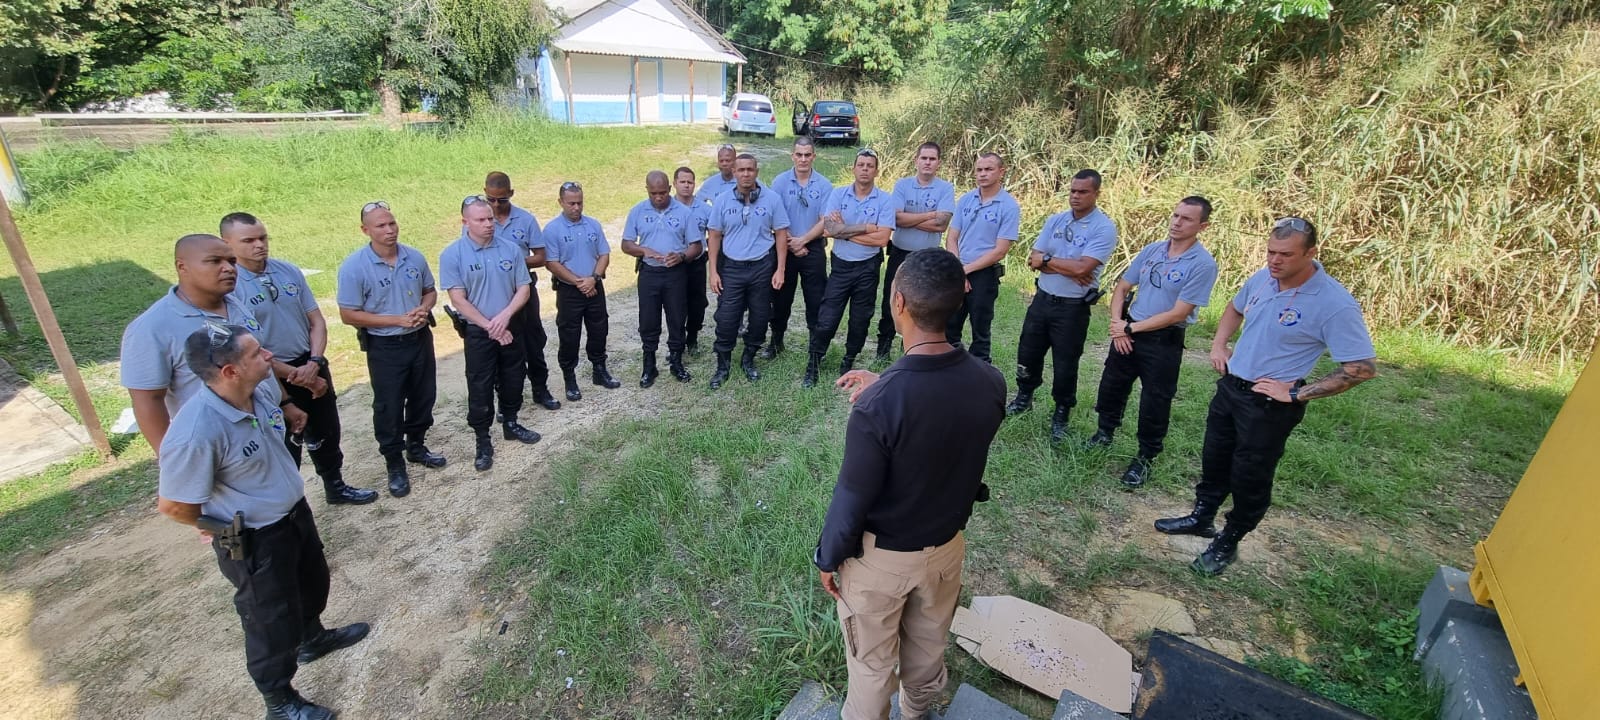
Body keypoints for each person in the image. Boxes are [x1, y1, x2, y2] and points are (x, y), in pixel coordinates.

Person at [814, 249, 1007, 720]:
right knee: (927, 649)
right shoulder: (990, 381)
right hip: (946, 551)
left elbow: (851, 497)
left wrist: (827, 557)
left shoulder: (877, 406)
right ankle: (918, 712)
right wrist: (888, 381)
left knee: (871, 667)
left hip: (882, 564)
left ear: (897, 302)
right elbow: (941, 404)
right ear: (958, 301)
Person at [156, 323, 369, 720]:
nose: (268, 356)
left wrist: (290, 409)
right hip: (256, 537)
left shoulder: (260, 389)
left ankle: (313, 638)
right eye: (256, 353)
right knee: (270, 619)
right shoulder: (197, 431)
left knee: (312, 581)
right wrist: (219, 529)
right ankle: (279, 701)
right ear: (230, 371)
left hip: (293, 514)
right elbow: (173, 506)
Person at [1155, 217, 1376, 575]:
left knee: (1250, 474)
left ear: (1311, 253)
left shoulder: (1333, 302)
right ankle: (1202, 517)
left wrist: (1297, 393)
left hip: (1268, 404)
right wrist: (1219, 344)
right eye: (1271, 252)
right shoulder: (1264, 278)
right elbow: (1235, 307)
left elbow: (1361, 367)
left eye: (1286, 254)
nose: (1275, 260)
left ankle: (1230, 539)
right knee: (1215, 458)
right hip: (1232, 387)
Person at [220, 213, 379, 507]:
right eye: (249, 240)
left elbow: (316, 320)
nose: (259, 245)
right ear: (227, 244)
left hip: (310, 363)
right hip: (269, 375)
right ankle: (289, 504)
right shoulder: (231, 289)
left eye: (263, 238)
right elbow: (245, 349)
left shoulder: (287, 271)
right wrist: (296, 375)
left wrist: (314, 362)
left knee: (327, 429)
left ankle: (335, 485)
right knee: (286, 441)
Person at [121, 233, 306, 454]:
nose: (229, 269)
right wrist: (172, 458)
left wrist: (285, 402)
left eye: (232, 261)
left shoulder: (235, 304)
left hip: (268, 428)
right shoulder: (152, 328)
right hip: (221, 447)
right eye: (215, 261)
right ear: (182, 266)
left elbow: (258, 358)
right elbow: (148, 400)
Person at [1085, 197, 1220, 489]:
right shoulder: (1153, 250)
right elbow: (1123, 286)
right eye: (1175, 215)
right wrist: (1119, 325)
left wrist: (1129, 328)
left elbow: (1179, 313)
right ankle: (1104, 433)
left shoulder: (1202, 264)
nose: (1177, 222)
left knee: (1155, 400)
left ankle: (1145, 456)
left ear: (1203, 226)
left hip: (1162, 340)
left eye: (1186, 219)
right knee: (1112, 385)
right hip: (1128, 329)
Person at [336, 201, 446, 498]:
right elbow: (348, 314)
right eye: (381, 226)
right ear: (365, 230)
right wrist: (396, 320)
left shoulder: (414, 257)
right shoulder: (355, 267)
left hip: (419, 338)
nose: (389, 230)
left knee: (424, 395)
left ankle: (416, 446)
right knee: (389, 404)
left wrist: (424, 308)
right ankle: (394, 462)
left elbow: (429, 291)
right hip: (385, 346)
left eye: (392, 223)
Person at [1006, 169, 1119, 443]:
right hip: (1042, 300)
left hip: (1072, 308)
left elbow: (1083, 268)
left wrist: (1049, 261)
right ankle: (1024, 397)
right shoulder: (1055, 220)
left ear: (1096, 193)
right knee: (1028, 352)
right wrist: (1063, 266)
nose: (1075, 196)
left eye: (1083, 192)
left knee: (1065, 362)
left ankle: (1061, 412)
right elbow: (1033, 259)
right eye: (1072, 191)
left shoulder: (1103, 228)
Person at [439, 196, 543, 472]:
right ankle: (483, 440)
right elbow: (458, 299)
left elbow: (523, 288)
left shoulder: (510, 249)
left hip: (510, 326)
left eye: (490, 219)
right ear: (465, 222)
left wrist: (505, 317)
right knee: (480, 384)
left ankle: (511, 422)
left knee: (514, 376)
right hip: (479, 331)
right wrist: (490, 326)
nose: (488, 224)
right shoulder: (453, 255)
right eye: (481, 220)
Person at [802, 148, 894, 387]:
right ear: (853, 168)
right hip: (841, 267)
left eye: (870, 166)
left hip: (868, 268)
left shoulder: (885, 200)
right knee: (827, 317)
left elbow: (882, 239)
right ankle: (814, 362)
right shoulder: (838, 194)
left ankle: (849, 359)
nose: (865, 169)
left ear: (876, 171)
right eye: (861, 165)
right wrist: (866, 228)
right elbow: (829, 229)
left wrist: (845, 230)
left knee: (860, 319)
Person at [706, 153, 790, 389]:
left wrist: (780, 269)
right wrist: (713, 271)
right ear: (734, 172)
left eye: (750, 170)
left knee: (760, 317)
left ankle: (748, 359)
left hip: (762, 267)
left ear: (756, 172)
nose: (745, 174)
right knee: (726, 318)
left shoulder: (772, 199)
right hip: (732, 268)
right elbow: (714, 235)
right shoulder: (723, 201)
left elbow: (781, 233)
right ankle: (722, 366)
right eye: (741, 170)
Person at [486, 171, 562, 411]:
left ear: (511, 193)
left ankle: (540, 389)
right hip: (494, 293)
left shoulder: (525, 219)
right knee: (500, 345)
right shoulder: (481, 220)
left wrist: (513, 262)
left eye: (502, 199)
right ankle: (504, 398)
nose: (496, 205)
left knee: (533, 341)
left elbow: (541, 256)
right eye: (491, 199)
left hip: (523, 289)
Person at [621, 170, 701, 386]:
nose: (658, 197)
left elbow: (696, 246)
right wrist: (642, 250)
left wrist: (681, 256)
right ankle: (649, 365)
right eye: (653, 193)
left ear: (670, 189)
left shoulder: (684, 213)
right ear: (647, 190)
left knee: (677, 318)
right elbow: (626, 244)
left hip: (675, 274)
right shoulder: (637, 211)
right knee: (648, 319)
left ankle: (676, 361)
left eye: (663, 193)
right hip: (649, 273)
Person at [543, 181, 620, 400]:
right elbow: (552, 263)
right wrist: (580, 283)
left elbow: (604, 254)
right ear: (560, 202)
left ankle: (599, 369)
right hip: (569, 291)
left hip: (594, 285)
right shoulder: (552, 229)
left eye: (580, 203)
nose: (576, 207)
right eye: (571, 203)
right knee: (569, 334)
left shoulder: (593, 225)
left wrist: (593, 279)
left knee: (599, 329)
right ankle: (569, 377)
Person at [878, 142, 955, 361]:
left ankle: (912, 351)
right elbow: (896, 218)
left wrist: (909, 218)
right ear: (916, 161)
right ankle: (882, 349)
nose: (927, 162)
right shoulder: (903, 185)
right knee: (892, 300)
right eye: (924, 158)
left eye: (932, 159)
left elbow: (941, 224)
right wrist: (930, 214)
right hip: (900, 253)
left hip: (928, 258)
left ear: (938, 163)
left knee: (923, 303)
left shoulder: (945, 188)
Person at [945, 153, 1021, 363]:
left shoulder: (1008, 206)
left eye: (988, 169)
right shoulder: (966, 199)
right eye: (979, 170)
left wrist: (966, 272)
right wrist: (958, 270)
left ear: (1001, 172)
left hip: (983, 274)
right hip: (958, 268)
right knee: (949, 325)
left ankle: (980, 372)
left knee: (980, 328)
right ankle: (947, 369)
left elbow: (1000, 250)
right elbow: (952, 237)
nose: (983, 174)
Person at [765, 136, 832, 358]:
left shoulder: (824, 185)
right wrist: (792, 242)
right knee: (780, 297)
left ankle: (815, 345)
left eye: (807, 155)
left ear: (814, 156)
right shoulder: (780, 182)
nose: (803, 159)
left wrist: (802, 241)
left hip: (813, 248)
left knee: (816, 299)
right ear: (792, 156)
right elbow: (774, 217)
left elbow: (825, 220)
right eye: (799, 155)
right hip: (785, 247)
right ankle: (776, 342)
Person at [674, 167, 714, 355]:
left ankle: (692, 338)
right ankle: (676, 342)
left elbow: (715, 234)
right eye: (682, 182)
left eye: (690, 182)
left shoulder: (705, 209)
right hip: (674, 265)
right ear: (675, 183)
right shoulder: (667, 208)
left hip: (696, 264)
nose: (686, 185)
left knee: (697, 303)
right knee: (675, 304)